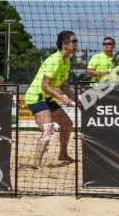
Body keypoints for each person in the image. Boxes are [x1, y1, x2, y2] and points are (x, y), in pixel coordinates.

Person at [23, 30, 79, 168]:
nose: (77, 44)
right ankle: (36, 163)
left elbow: (64, 86)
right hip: (35, 96)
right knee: (48, 129)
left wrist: (77, 100)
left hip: (46, 97)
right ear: (65, 44)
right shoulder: (54, 60)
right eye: (74, 41)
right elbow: (44, 85)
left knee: (67, 124)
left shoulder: (66, 62)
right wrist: (62, 98)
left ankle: (63, 154)